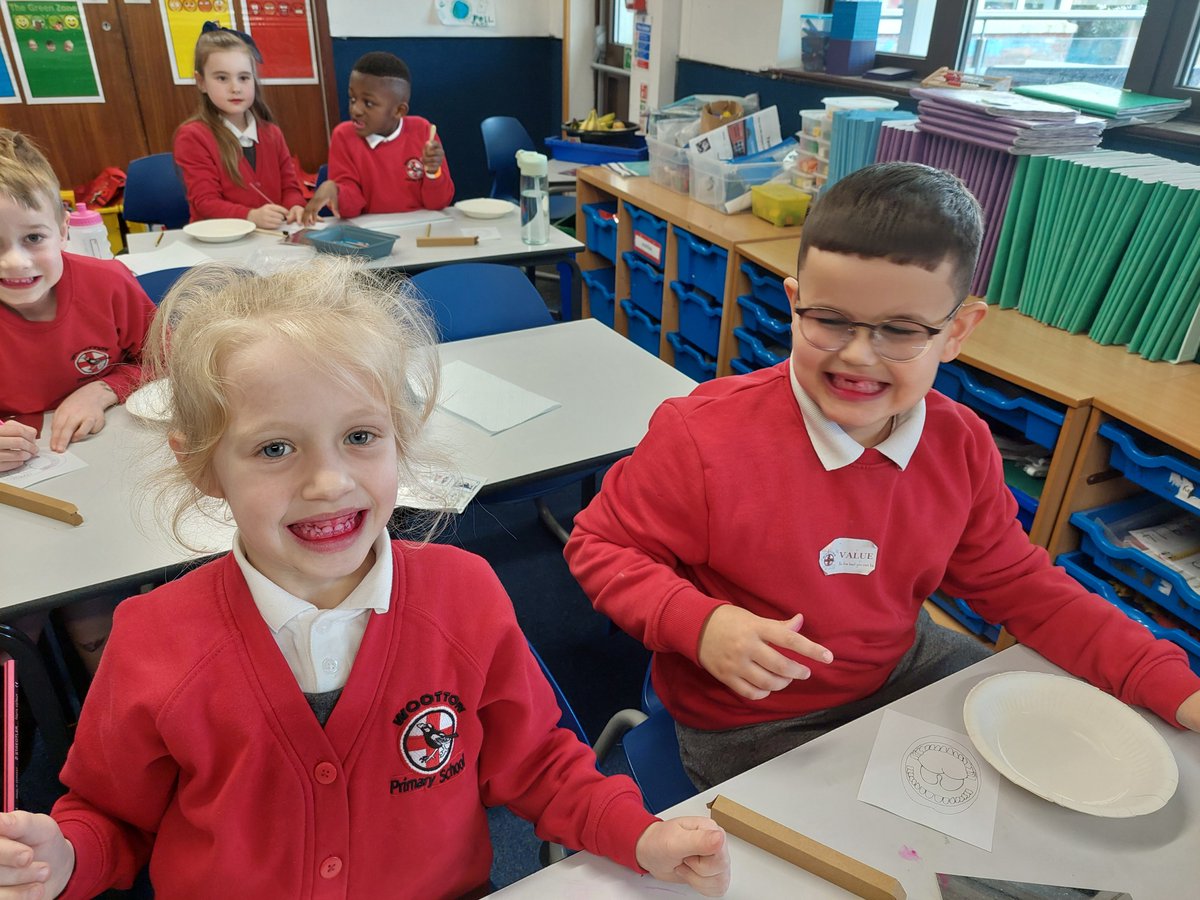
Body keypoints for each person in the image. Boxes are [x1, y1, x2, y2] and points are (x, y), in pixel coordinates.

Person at [0, 258, 730, 898]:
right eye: (275, 448)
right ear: (202, 466)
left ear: (398, 437)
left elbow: (536, 764)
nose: (328, 482)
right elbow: (112, 818)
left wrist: (637, 835)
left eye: (360, 437)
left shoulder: (463, 595)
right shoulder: (152, 639)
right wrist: (61, 860)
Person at [565, 162, 1200, 791]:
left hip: (899, 666)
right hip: (750, 716)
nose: (858, 354)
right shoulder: (701, 436)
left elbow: (1023, 589)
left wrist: (1170, 684)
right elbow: (599, 546)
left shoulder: (961, 445)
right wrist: (698, 624)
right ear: (793, 306)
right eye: (830, 320)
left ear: (957, 331)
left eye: (900, 330)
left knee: (1045, 773)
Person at [0, 128, 155, 673]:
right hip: (18, 504)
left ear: (65, 230)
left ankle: (105, 714)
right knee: (19, 619)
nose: (15, 263)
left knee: (93, 610)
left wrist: (104, 387)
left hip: (108, 488)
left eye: (34, 238)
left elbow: (166, 360)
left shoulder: (108, 285)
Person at [173, 23, 306, 228]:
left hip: (271, 243)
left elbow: (290, 188)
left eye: (243, 77)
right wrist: (250, 216)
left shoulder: (272, 133)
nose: (235, 88)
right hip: (221, 244)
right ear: (201, 82)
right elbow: (205, 203)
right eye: (222, 78)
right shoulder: (192, 136)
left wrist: (295, 205)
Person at [302, 51, 452, 223]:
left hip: (420, 229)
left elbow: (439, 203)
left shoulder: (423, 130)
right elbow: (352, 208)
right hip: (372, 233)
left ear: (398, 111)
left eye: (368, 103)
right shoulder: (344, 136)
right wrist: (335, 190)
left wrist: (433, 173)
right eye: (352, 99)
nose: (355, 110)